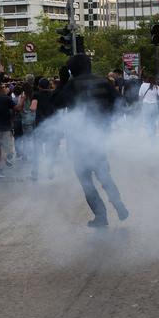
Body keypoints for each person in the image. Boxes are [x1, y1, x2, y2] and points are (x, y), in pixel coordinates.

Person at [53, 54, 130, 227]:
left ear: (72, 69)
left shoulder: (73, 84)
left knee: (87, 182)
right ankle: (119, 205)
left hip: (79, 142)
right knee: (104, 175)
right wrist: (106, 120)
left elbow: (56, 104)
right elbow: (121, 103)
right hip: (98, 139)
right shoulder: (103, 82)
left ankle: (101, 217)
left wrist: (62, 81)